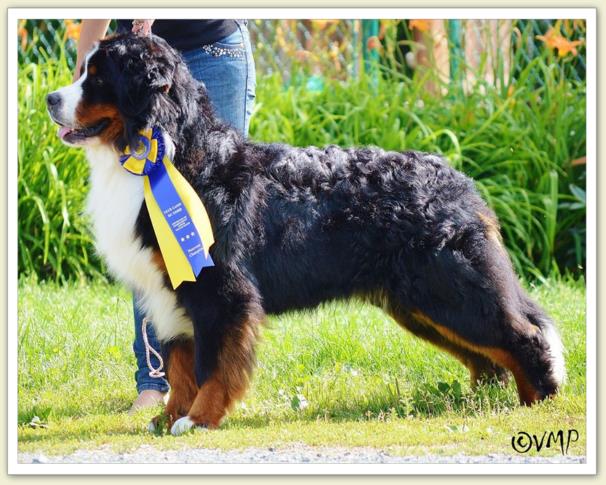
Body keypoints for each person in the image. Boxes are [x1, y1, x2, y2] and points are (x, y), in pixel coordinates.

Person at [74, 18, 256, 412]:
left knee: (216, 242)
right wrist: (83, 79)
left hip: (213, 46)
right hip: (128, 68)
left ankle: (214, 388)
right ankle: (157, 382)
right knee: (148, 234)